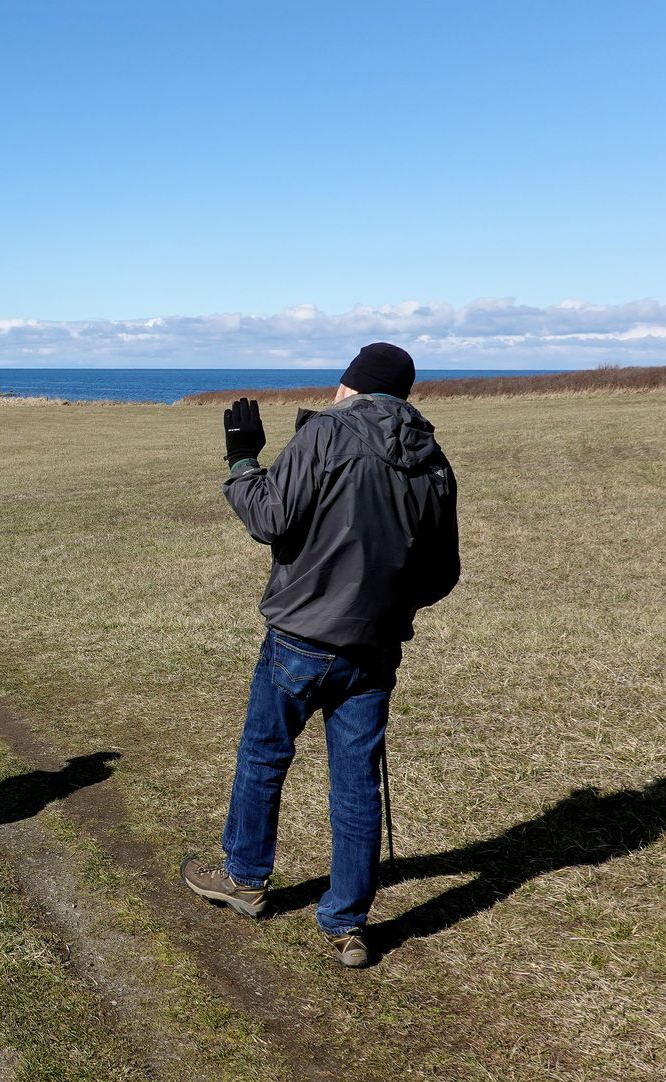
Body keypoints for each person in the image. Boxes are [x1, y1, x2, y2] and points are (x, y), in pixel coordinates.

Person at [181, 343, 460, 967]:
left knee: (264, 753)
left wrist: (242, 458)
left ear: (351, 385)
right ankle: (347, 923)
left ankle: (245, 878)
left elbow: (268, 517)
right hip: (375, 647)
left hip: (302, 635)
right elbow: (442, 573)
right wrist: (391, 603)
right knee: (356, 781)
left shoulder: (329, 433)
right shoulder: (432, 456)